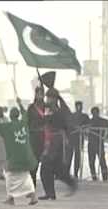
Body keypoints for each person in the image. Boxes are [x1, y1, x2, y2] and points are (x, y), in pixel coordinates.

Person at [0, 99, 38, 205]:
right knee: (25, 175)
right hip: (27, 157)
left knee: (9, 174)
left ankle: (10, 197)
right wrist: (20, 103)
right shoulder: (24, 123)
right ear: (17, 116)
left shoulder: (6, 127)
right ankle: (33, 196)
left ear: (11, 116)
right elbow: (25, 113)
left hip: (14, 158)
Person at [39, 71, 77, 200]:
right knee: (55, 170)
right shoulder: (49, 108)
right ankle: (51, 192)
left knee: (47, 167)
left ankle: (53, 191)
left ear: (54, 98)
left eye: (49, 97)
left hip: (56, 142)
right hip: (51, 141)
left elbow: (63, 124)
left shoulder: (58, 111)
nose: (47, 99)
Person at [27, 85, 46, 187]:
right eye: (38, 93)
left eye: (42, 93)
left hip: (45, 138)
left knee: (46, 165)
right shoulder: (31, 108)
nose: (40, 95)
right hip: (34, 138)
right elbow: (27, 122)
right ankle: (31, 186)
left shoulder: (46, 107)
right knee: (33, 165)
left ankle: (49, 190)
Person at [87, 106, 108, 181]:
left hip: (98, 143)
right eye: (93, 113)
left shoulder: (103, 121)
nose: (94, 114)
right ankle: (94, 176)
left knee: (101, 161)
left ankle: (104, 176)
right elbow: (84, 130)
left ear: (98, 113)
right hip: (92, 143)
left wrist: (106, 137)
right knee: (92, 161)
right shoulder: (89, 122)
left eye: (95, 113)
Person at [67, 101, 90, 178]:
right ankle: (67, 172)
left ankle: (76, 172)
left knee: (77, 157)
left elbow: (88, 125)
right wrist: (75, 127)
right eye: (77, 106)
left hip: (79, 139)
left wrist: (83, 128)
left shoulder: (85, 116)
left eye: (80, 106)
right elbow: (68, 125)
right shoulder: (71, 116)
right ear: (75, 106)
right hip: (71, 138)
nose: (79, 107)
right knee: (69, 156)